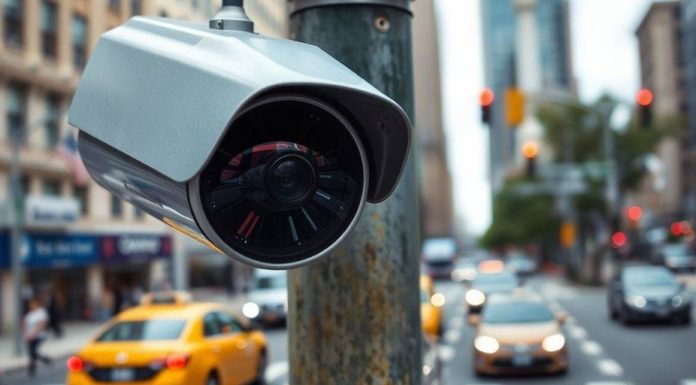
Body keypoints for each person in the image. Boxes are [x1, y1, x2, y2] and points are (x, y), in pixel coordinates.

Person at [23, 298, 52, 376]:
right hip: (30, 336)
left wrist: (34, 333)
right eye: (31, 305)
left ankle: (33, 368)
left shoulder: (41, 312)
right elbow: (25, 324)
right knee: (31, 352)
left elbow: (42, 324)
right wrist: (26, 333)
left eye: (33, 304)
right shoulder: (29, 314)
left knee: (33, 352)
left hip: (39, 336)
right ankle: (44, 360)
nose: (32, 306)